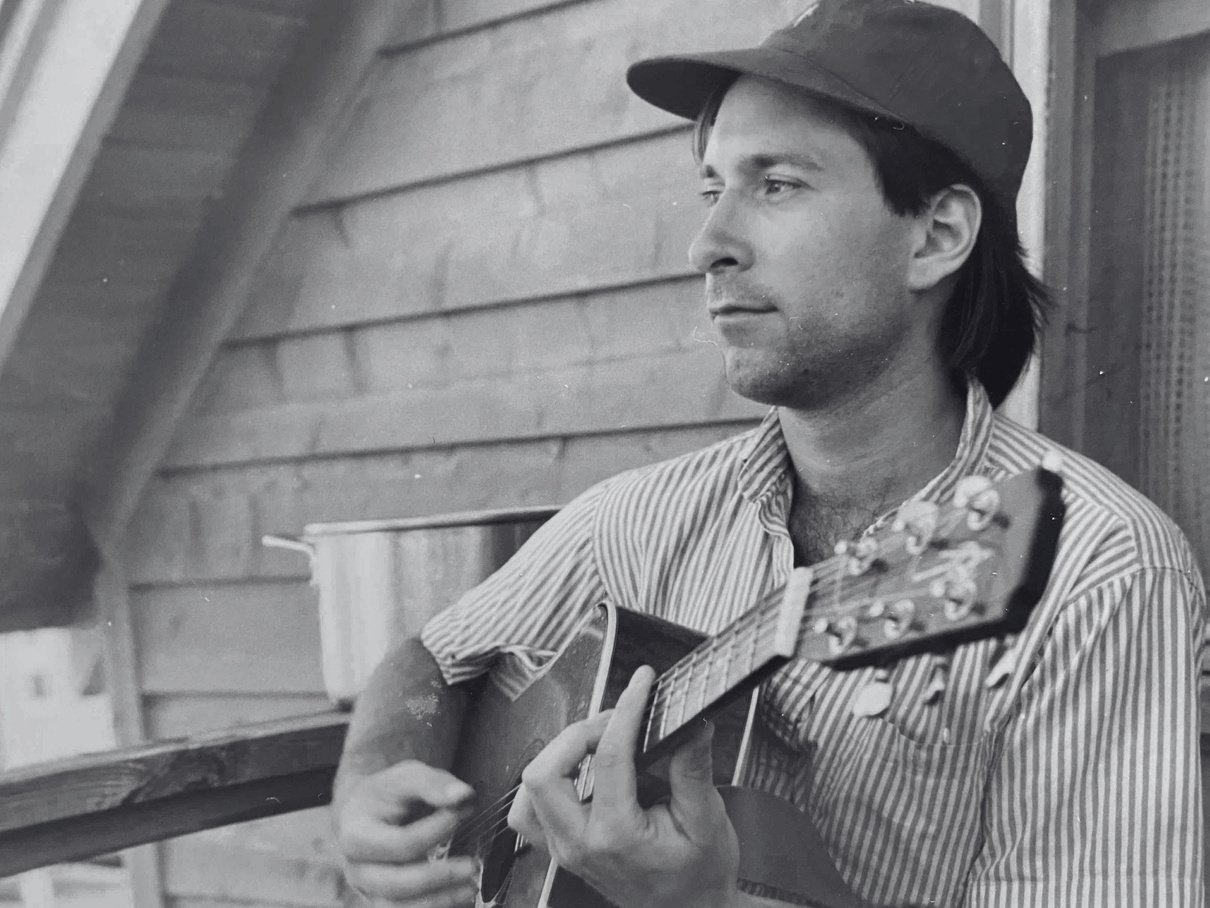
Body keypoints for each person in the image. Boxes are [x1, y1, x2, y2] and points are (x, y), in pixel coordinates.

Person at [331, 1, 1208, 906]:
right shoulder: (639, 519)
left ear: (937, 235)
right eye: (714, 190)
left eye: (777, 185)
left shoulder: (1098, 572)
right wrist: (371, 782)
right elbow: (432, 658)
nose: (706, 244)